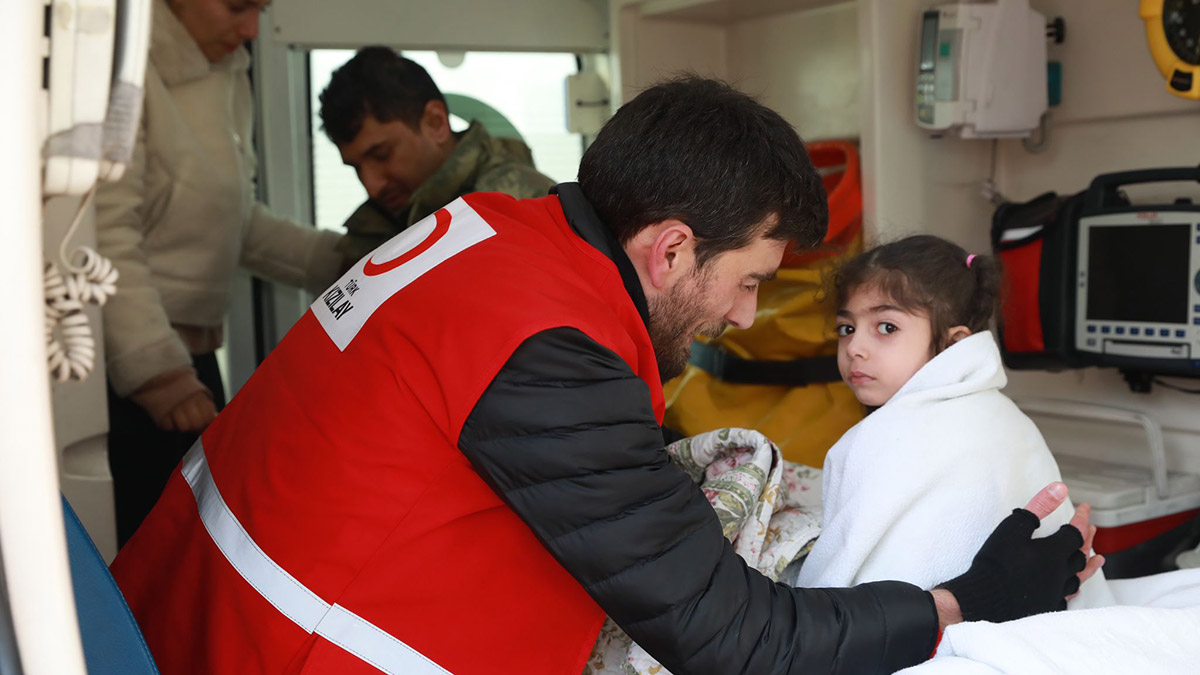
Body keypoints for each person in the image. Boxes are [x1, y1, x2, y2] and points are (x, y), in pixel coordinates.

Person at [110, 77, 1094, 675]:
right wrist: (966, 597)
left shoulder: (490, 234)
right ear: (670, 250)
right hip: (276, 650)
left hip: (173, 613)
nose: (745, 317)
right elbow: (737, 642)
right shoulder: (548, 347)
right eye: (749, 281)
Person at [96, 0, 344, 546]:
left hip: (192, 361)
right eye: (236, 6)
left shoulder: (228, 71)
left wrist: (343, 260)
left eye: (260, 8)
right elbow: (104, 236)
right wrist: (160, 377)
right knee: (151, 548)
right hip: (134, 371)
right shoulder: (119, 67)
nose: (251, 29)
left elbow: (234, 220)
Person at [796, 235, 1113, 608]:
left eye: (886, 327)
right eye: (846, 328)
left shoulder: (886, 437)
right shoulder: (1009, 415)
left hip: (921, 622)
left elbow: (835, 590)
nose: (854, 348)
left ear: (952, 344)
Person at [317, 46, 556, 264]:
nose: (372, 186)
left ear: (435, 123)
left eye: (382, 155)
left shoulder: (518, 205)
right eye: (356, 168)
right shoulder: (379, 220)